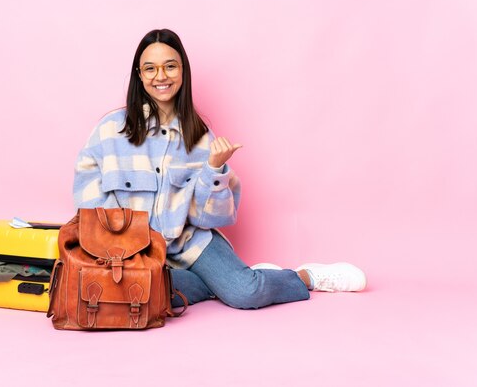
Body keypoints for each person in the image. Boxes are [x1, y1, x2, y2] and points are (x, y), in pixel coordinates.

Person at [73, 28, 366, 310]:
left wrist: (213, 169)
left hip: (191, 243)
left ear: (183, 71)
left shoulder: (201, 138)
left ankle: (303, 277)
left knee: (244, 292)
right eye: (150, 69)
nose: (160, 76)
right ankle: (224, 281)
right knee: (138, 292)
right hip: (133, 252)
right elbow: (89, 205)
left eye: (170, 66)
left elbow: (214, 217)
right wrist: (125, 249)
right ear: (139, 75)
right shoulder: (110, 131)